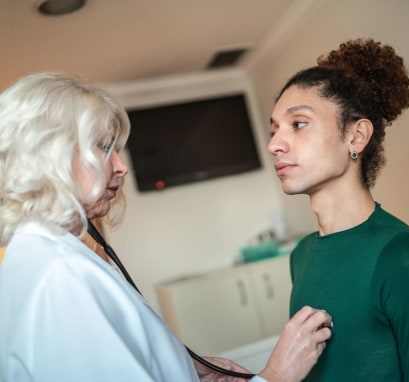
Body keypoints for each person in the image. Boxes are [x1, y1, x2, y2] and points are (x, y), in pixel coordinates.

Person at [0, 72, 332, 382]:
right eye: (104, 147)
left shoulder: (38, 260)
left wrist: (179, 367)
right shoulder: (60, 275)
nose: (120, 167)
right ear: (48, 155)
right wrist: (275, 375)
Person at [267, 38, 409, 381]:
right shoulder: (301, 256)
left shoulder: (406, 257)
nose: (274, 144)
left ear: (356, 137)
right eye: (274, 129)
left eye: (298, 123)